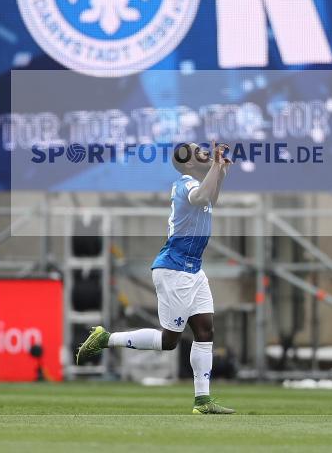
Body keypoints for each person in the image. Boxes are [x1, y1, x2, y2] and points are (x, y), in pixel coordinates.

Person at [75, 141, 235, 414]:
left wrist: (219, 169)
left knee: (205, 330)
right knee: (169, 341)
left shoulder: (198, 184)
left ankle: (202, 401)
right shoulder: (185, 184)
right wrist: (215, 169)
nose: (205, 152)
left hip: (193, 269)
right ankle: (105, 339)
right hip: (175, 270)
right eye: (199, 152)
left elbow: (211, 199)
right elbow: (200, 198)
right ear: (188, 163)